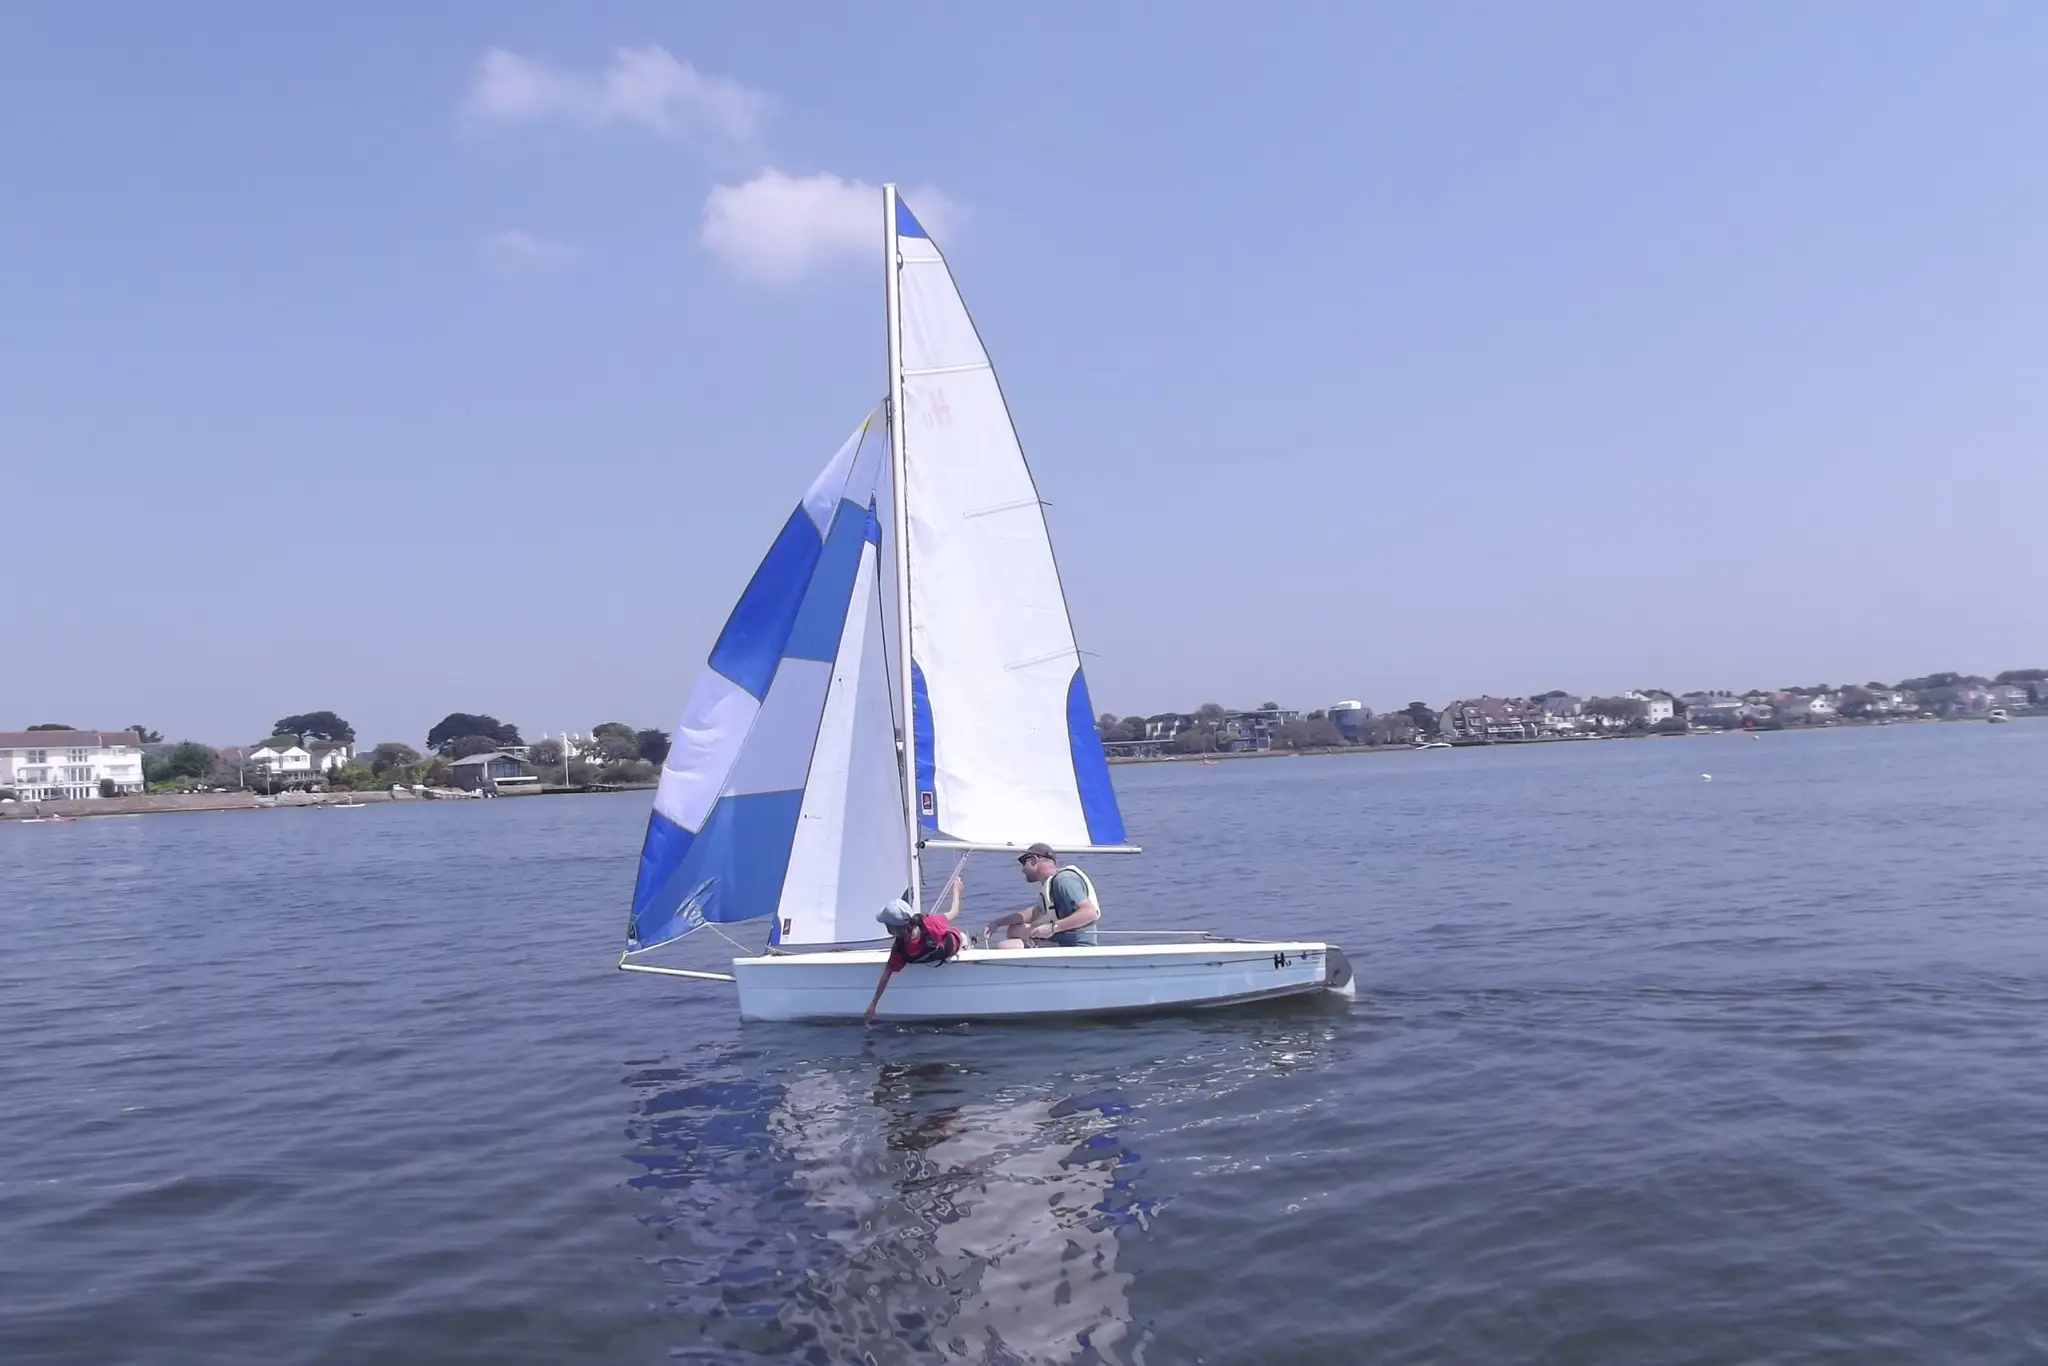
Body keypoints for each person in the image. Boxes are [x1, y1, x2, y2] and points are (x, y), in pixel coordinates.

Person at [863, 877, 964, 1025]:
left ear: (891, 929)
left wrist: (873, 1004)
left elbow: (886, 976)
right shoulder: (929, 923)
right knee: (959, 936)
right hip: (956, 944)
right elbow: (954, 912)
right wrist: (956, 890)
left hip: (946, 948)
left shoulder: (900, 949)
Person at [983, 843, 1101, 949]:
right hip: (1061, 938)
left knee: (1004, 947)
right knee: (1014, 930)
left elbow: (1089, 913)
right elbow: (1034, 913)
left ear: (1034, 860)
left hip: (1075, 946)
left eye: (1024, 863)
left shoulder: (1064, 880)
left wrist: (1052, 928)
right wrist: (997, 923)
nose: (1022, 869)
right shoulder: (1050, 884)